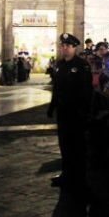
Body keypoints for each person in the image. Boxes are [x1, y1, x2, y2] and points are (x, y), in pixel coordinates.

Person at [46, 33, 93, 193]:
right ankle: (67, 175)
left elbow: (87, 90)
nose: (64, 48)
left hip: (77, 112)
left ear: (74, 47)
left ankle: (80, 178)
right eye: (63, 45)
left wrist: (85, 111)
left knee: (78, 146)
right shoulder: (59, 65)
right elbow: (57, 88)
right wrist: (52, 107)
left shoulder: (82, 65)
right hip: (63, 112)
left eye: (67, 46)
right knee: (64, 145)